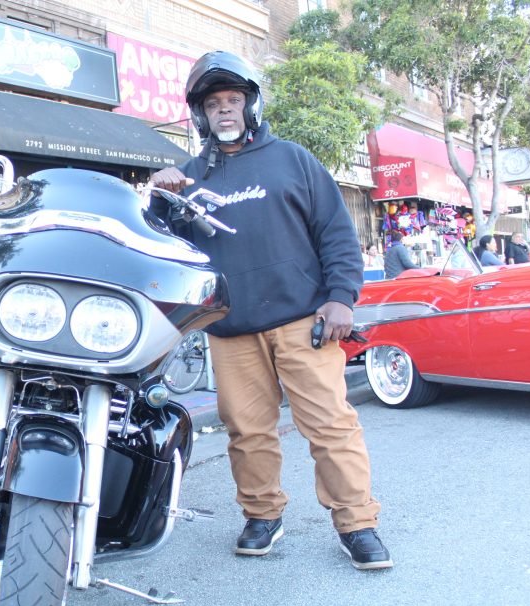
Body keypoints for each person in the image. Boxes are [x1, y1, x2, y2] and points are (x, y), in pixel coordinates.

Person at [150, 51, 391, 570]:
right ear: (199, 115)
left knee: (330, 425)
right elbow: (167, 252)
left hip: (305, 322)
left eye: (234, 99)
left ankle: (358, 522)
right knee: (247, 431)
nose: (225, 110)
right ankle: (263, 516)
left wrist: (341, 297)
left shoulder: (294, 160)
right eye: (213, 103)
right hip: (232, 330)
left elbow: (335, 233)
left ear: (251, 103)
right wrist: (160, 201)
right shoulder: (189, 178)